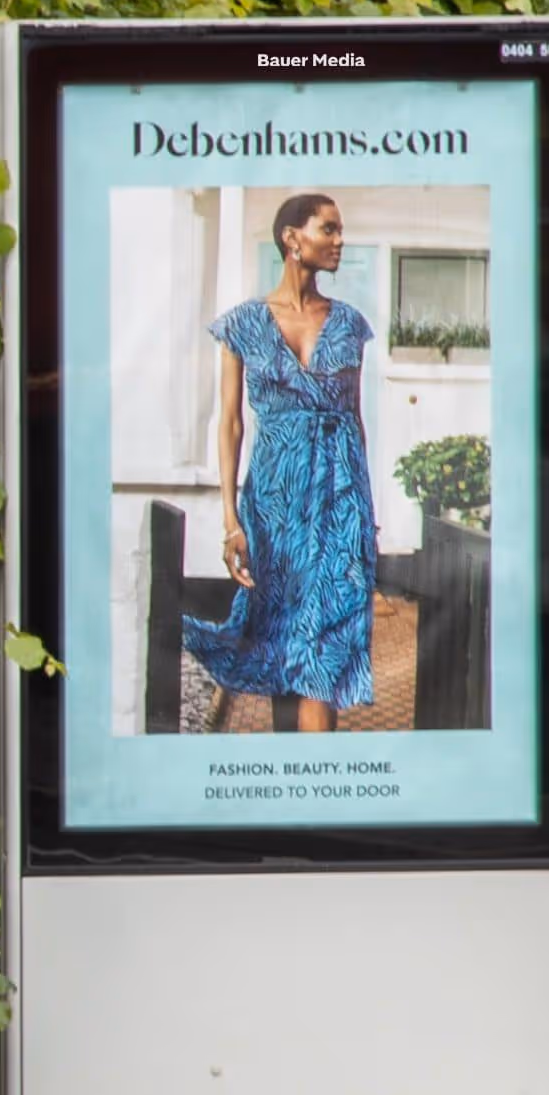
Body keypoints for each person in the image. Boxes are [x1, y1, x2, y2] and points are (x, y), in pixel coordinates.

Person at [179, 193, 382, 732]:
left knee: (324, 644)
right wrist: (231, 521)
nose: (340, 241)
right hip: (274, 504)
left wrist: (366, 514)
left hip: (340, 498)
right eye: (329, 229)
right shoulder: (242, 325)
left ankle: (316, 788)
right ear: (293, 239)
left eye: (341, 231)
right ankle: (292, 777)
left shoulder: (350, 325)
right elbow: (230, 424)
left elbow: (355, 421)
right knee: (280, 644)